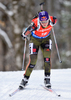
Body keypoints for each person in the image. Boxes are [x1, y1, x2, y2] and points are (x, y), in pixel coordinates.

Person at [19, 11, 57, 89]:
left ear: (48, 19)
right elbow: (27, 30)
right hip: (35, 40)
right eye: (42, 22)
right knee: (33, 61)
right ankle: (25, 79)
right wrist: (24, 35)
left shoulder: (52, 20)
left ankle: (47, 79)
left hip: (46, 39)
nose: (44, 23)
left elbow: (55, 19)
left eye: (46, 21)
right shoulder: (35, 24)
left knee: (47, 59)